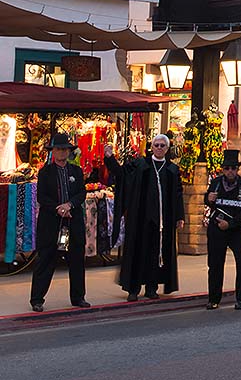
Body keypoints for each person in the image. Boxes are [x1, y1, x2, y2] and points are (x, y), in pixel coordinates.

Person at [104, 135, 185, 300]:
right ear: (152, 147)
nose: (159, 148)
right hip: (140, 219)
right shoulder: (141, 165)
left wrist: (179, 216)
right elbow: (122, 174)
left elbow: (177, 195)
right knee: (137, 252)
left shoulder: (172, 170)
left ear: (167, 149)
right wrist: (110, 159)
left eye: (163, 145)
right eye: (157, 145)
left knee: (156, 254)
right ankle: (133, 289)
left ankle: (151, 288)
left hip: (162, 221)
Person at [30, 134, 90, 312]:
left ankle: (78, 297)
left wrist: (69, 205)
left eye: (65, 149)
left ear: (69, 151)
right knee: (46, 259)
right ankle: (37, 299)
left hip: (73, 220)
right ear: (53, 151)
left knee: (77, 258)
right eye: (59, 149)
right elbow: (42, 197)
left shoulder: (76, 171)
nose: (62, 152)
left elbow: (81, 193)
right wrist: (58, 208)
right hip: (52, 222)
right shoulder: (45, 172)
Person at [204, 149, 241, 311]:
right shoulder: (216, 183)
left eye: (233, 168)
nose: (230, 171)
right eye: (227, 168)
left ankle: (240, 298)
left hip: (236, 229)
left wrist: (230, 224)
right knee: (215, 264)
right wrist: (208, 199)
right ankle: (214, 299)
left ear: (238, 169)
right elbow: (208, 200)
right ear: (223, 169)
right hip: (217, 228)